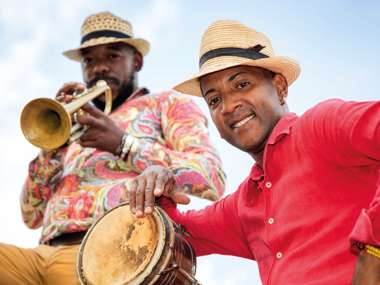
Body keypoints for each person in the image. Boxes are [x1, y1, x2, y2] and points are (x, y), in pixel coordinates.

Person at [129, 20, 380, 284]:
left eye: (241, 85)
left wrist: (373, 249)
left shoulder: (323, 125)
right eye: (214, 100)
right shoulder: (243, 205)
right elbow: (171, 236)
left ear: (280, 87)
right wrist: (156, 188)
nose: (227, 106)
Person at [0, 12, 225, 285]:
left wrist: (123, 144)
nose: (99, 68)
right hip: (42, 255)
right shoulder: (74, 126)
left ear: (137, 61)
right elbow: (30, 215)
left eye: (113, 56)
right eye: (89, 60)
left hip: (112, 257)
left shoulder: (165, 104)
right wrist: (53, 147)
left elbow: (211, 176)